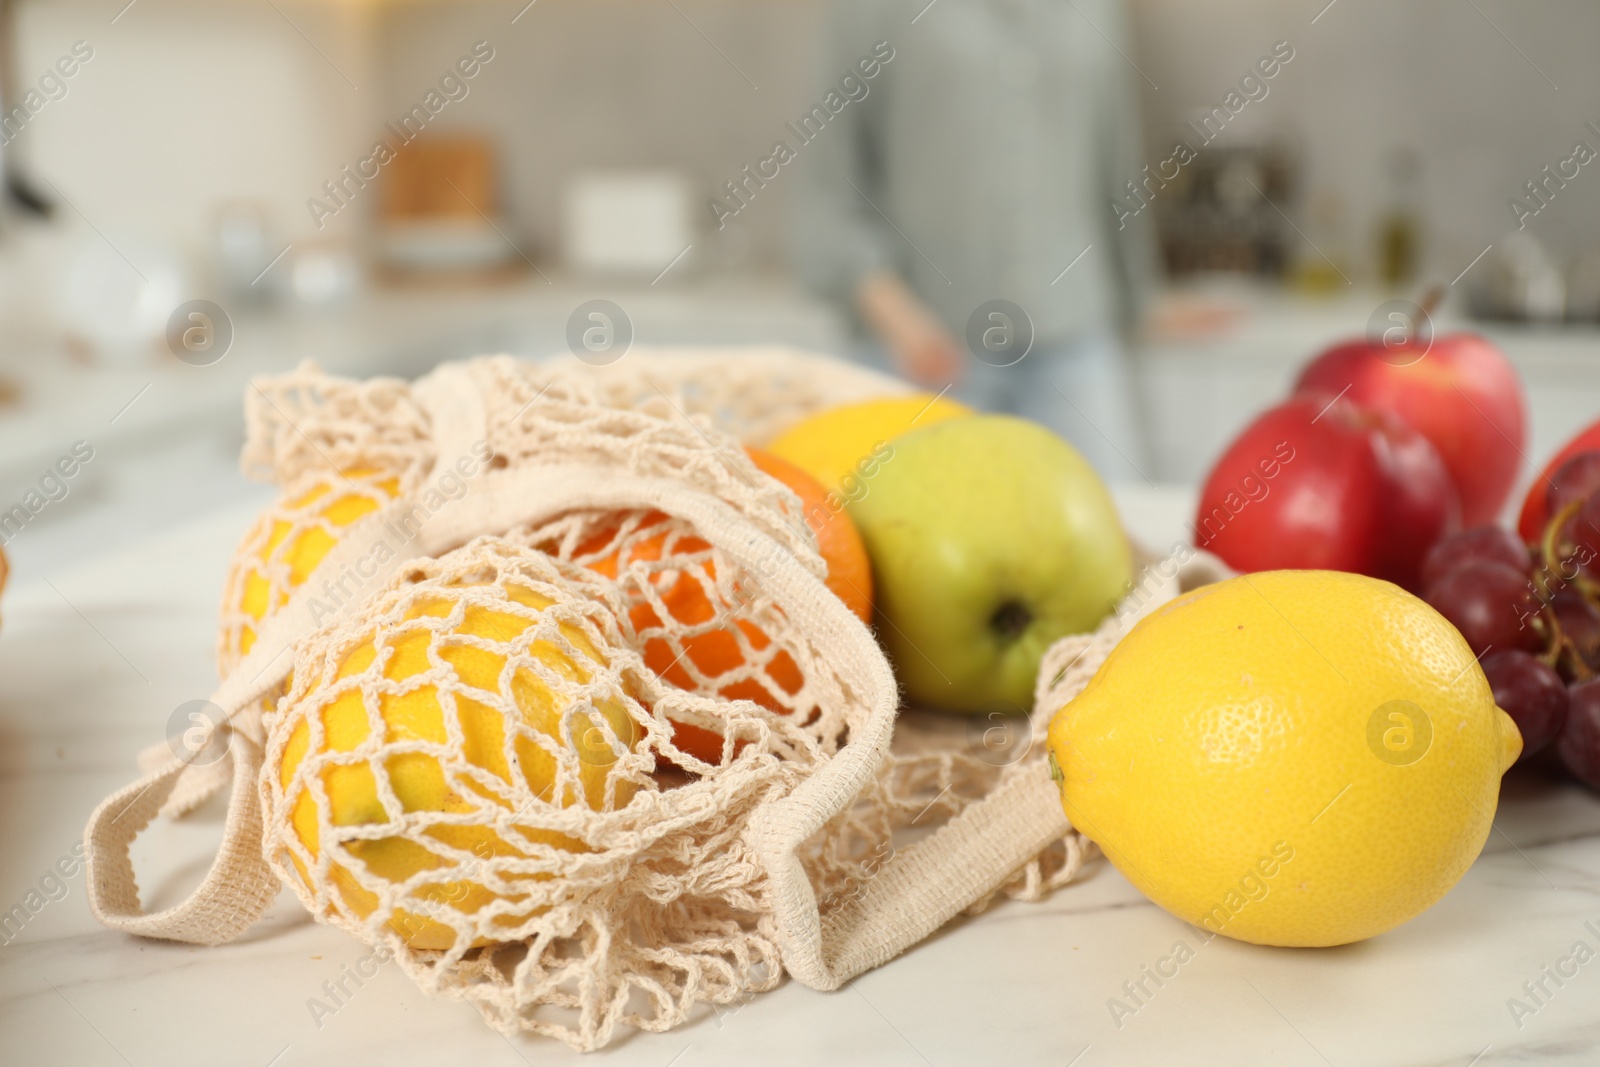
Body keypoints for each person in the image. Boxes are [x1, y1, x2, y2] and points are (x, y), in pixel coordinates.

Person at [790, 0, 1160, 482]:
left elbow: (1114, 161)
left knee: (1121, 535)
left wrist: (1142, 298)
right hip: (928, 353)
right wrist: (899, 319)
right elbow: (827, 191)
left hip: (1074, 339)